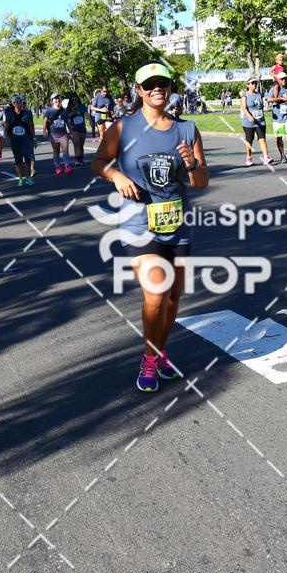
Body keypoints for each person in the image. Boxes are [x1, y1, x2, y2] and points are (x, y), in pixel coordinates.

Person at [92, 61, 208, 393]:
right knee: (156, 294)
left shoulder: (187, 129)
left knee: (173, 298)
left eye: (163, 83)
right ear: (139, 90)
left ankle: (160, 353)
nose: (157, 88)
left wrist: (191, 164)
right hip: (137, 221)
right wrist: (116, 176)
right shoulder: (123, 128)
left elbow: (201, 181)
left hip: (177, 222)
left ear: (170, 88)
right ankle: (148, 359)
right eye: (149, 84)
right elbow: (99, 162)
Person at [241, 79, 273, 166]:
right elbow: (244, 107)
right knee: (249, 140)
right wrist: (249, 116)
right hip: (249, 122)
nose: (254, 85)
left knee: (262, 138)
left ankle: (266, 157)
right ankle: (249, 158)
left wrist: (266, 106)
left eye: (255, 83)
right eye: (252, 83)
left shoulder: (259, 94)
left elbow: (262, 104)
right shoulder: (245, 95)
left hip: (260, 121)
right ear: (248, 85)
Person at [266, 73, 287, 163]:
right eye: (282, 79)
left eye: (285, 79)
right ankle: (282, 156)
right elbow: (269, 99)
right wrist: (282, 99)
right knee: (279, 137)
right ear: (278, 80)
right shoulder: (274, 89)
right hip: (278, 119)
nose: (284, 80)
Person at [5, 95, 35, 186]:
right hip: (14, 140)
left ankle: (28, 178)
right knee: (18, 160)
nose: (20, 104)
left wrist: (33, 139)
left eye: (21, 102)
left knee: (27, 158)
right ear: (14, 104)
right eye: (18, 102)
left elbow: (31, 127)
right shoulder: (9, 115)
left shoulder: (27, 113)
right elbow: (6, 128)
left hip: (25, 139)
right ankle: (21, 178)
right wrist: (6, 139)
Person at [43, 92, 73, 175]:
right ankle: (57, 167)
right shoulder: (49, 110)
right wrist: (44, 131)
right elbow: (45, 121)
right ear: (52, 101)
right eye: (55, 99)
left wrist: (71, 131)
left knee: (65, 150)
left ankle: (67, 166)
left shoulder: (64, 110)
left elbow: (67, 122)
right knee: (56, 151)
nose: (57, 100)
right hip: (53, 134)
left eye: (58, 98)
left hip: (63, 134)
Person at [67, 91, 88, 167]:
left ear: (77, 99)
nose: (74, 101)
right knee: (77, 144)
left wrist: (91, 122)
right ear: (70, 101)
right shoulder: (69, 108)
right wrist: (72, 113)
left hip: (82, 127)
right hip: (74, 128)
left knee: (81, 145)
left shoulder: (82, 106)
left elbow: (86, 114)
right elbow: (67, 117)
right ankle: (77, 160)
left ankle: (81, 159)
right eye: (72, 100)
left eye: (75, 99)